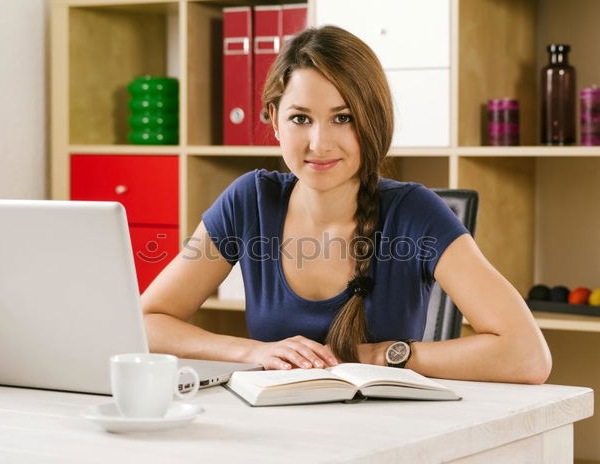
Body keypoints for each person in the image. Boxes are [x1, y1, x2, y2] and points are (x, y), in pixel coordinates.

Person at [140, 25, 552, 384]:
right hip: (277, 433)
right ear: (274, 119)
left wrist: (384, 356)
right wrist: (251, 352)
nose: (319, 143)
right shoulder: (250, 200)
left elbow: (527, 355)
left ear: (372, 121)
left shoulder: (415, 212)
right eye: (301, 118)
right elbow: (146, 323)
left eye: (343, 118)